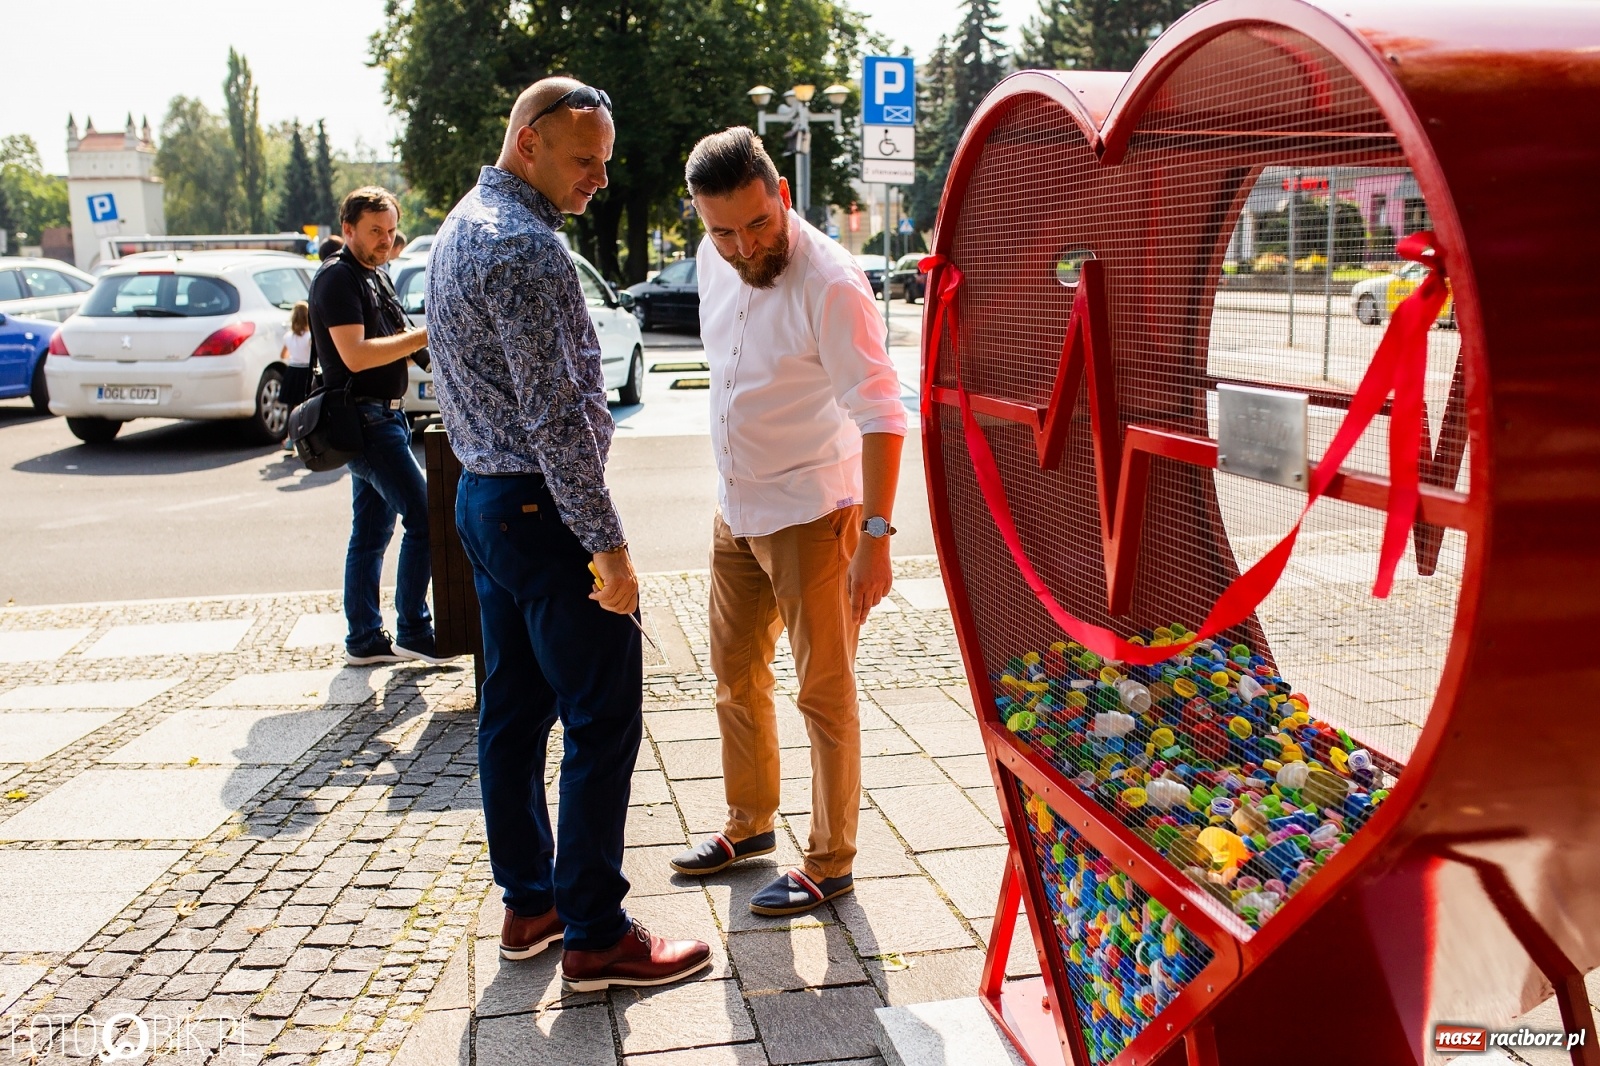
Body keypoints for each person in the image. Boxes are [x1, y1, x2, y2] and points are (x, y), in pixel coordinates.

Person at [425, 77, 710, 991]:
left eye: (606, 161)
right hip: (540, 510)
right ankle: (595, 934)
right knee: (601, 718)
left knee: (511, 714)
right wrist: (609, 550)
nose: (600, 178)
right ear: (529, 142)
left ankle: (532, 903)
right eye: (585, 159)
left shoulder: (461, 224)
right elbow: (556, 422)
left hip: (484, 499)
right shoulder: (525, 248)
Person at [668, 127, 906, 916]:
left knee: (824, 694)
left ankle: (831, 860)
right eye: (722, 231)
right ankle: (750, 823)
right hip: (737, 506)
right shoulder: (714, 258)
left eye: (757, 224)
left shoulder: (830, 282)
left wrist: (876, 538)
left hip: (814, 513)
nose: (743, 247)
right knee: (734, 677)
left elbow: (882, 414)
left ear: (783, 195)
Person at [308, 186, 444, 667]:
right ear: (347, 230)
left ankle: (364, 639)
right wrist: (427, 333)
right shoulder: (338, 278)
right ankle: (414, 630)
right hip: (365, 420)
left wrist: (440, 359)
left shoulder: (375, 275)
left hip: (385, 416)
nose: (386, 240)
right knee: (426, 518)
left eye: (390, 231)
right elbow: (356, 355)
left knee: (370, 533)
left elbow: (402, 340)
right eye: (375, 231)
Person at [279, 300, 313, 451]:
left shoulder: (288, 336)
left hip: (292, 371)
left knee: (291, 408)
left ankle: (289, 439)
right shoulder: (310, 337)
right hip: (306, 372)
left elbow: (283, 355)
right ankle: (306, 439)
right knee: (307, 408)